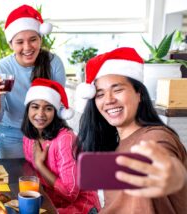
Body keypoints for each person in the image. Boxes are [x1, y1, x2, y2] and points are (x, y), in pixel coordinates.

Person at [74, 47, 187, 213]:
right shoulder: (118, 142)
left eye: (118, 90)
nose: (109, 100)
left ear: (139, 94)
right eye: (100, 94)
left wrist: (172, 174)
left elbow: (164, 161)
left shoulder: (155, 137)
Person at [0, 5, 66, 158]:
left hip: (46, 132)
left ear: (40, 39)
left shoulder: (54, 63)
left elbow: (59, 106)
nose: (27, 47)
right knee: (15, 179)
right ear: (11, 44)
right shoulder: (2, 68)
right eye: (20, 42)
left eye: (33, 40)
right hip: (11, 135)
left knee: (47, 180)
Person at [21, 78, 101, 213]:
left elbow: (70, 193)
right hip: (50, 203)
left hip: (81, 207)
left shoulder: (65, 139)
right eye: (35, 107)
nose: (40, 114)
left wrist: (40, 165)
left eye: (48, 108)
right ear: (28, 109)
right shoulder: (29, 137)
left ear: (56, 112)